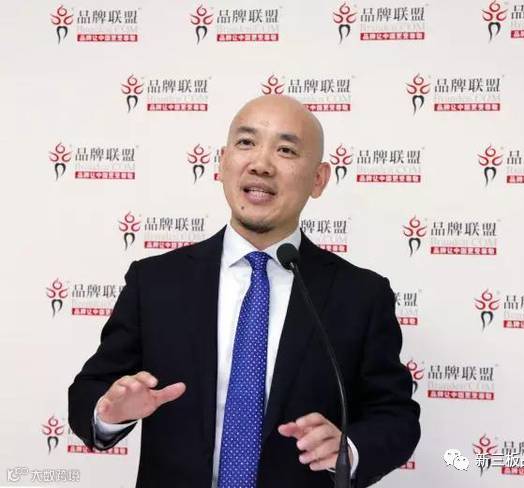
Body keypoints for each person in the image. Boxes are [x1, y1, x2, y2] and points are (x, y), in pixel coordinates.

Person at [68, 95, 420, 488]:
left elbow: (395, 416)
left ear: (318, 179)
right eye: (246, 143)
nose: (261, 164)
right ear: (222, 162)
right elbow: (88, 392)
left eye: (286, 150)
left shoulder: (360, 296)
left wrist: (348, 449)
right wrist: (109, 412)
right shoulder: (155, 282)